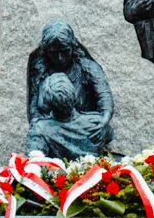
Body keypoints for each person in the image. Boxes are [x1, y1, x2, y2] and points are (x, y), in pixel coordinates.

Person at [24, 21, 114, 157]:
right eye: (54, 53)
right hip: (51, 132)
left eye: (65, 51)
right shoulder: (40, 71)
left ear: (72, 47)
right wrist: (45, 132)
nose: (60, 58)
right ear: (46, 51)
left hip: (84, 128)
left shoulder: (87, 67)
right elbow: (34, 111)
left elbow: (104, 95)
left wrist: (103, 121)